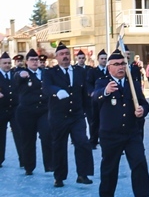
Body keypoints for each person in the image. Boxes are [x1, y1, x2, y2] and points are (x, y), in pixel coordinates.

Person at [92, 51, 149, 197]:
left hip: (131, 132)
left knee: (139, 162)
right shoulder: (102, 82)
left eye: (123, 64)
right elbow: (94, 96)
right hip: (111, 133)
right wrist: (105, 91)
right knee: (110, 166)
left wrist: (142, 111)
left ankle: (142, 196)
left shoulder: (132, 83)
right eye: (116, 64)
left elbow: (144, 104)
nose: (120, 67)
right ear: (109, 67)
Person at [42, 43, 94, 187]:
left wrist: (87, 111)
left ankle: (83, 175)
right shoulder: (50, 72)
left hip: (76, 115)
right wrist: (56, 91)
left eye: (66, 53)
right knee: (59, 146)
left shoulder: (79, 71)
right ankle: (59, 177)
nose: (65, 56)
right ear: (57, 57)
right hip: (59, 116)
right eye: (61, 54)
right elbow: (46, 88)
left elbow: (84, 93)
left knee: (82, 142)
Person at [15, 50, 53, 176]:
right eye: (32, 60)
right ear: (27, 62)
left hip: (43, 110)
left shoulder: (45, 73)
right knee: (28, 139)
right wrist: (21, 74)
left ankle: (49, 164)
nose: (35, 62)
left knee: (47, 134)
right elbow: (16, 78)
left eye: (36, 60)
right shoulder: (22, 73)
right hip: (27, 112)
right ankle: (29, 166)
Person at [0, 52, 21, 168]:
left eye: (9, 63)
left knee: (20, 134)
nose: (7, 65)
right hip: (1, 109)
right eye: (4, 63)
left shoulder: (15, 74)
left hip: (15, 109)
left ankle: (23, 159)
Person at [87, 50, 109, 149]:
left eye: (105, 59)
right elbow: (88, 83)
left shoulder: (110, 70)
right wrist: (91, 92)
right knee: (95, 120)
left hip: (108, 99)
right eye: (102, 59)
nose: (104, 61)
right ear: (98, 60)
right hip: (96, 99)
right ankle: (93, 140)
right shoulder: (93, 71)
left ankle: (108, 140)